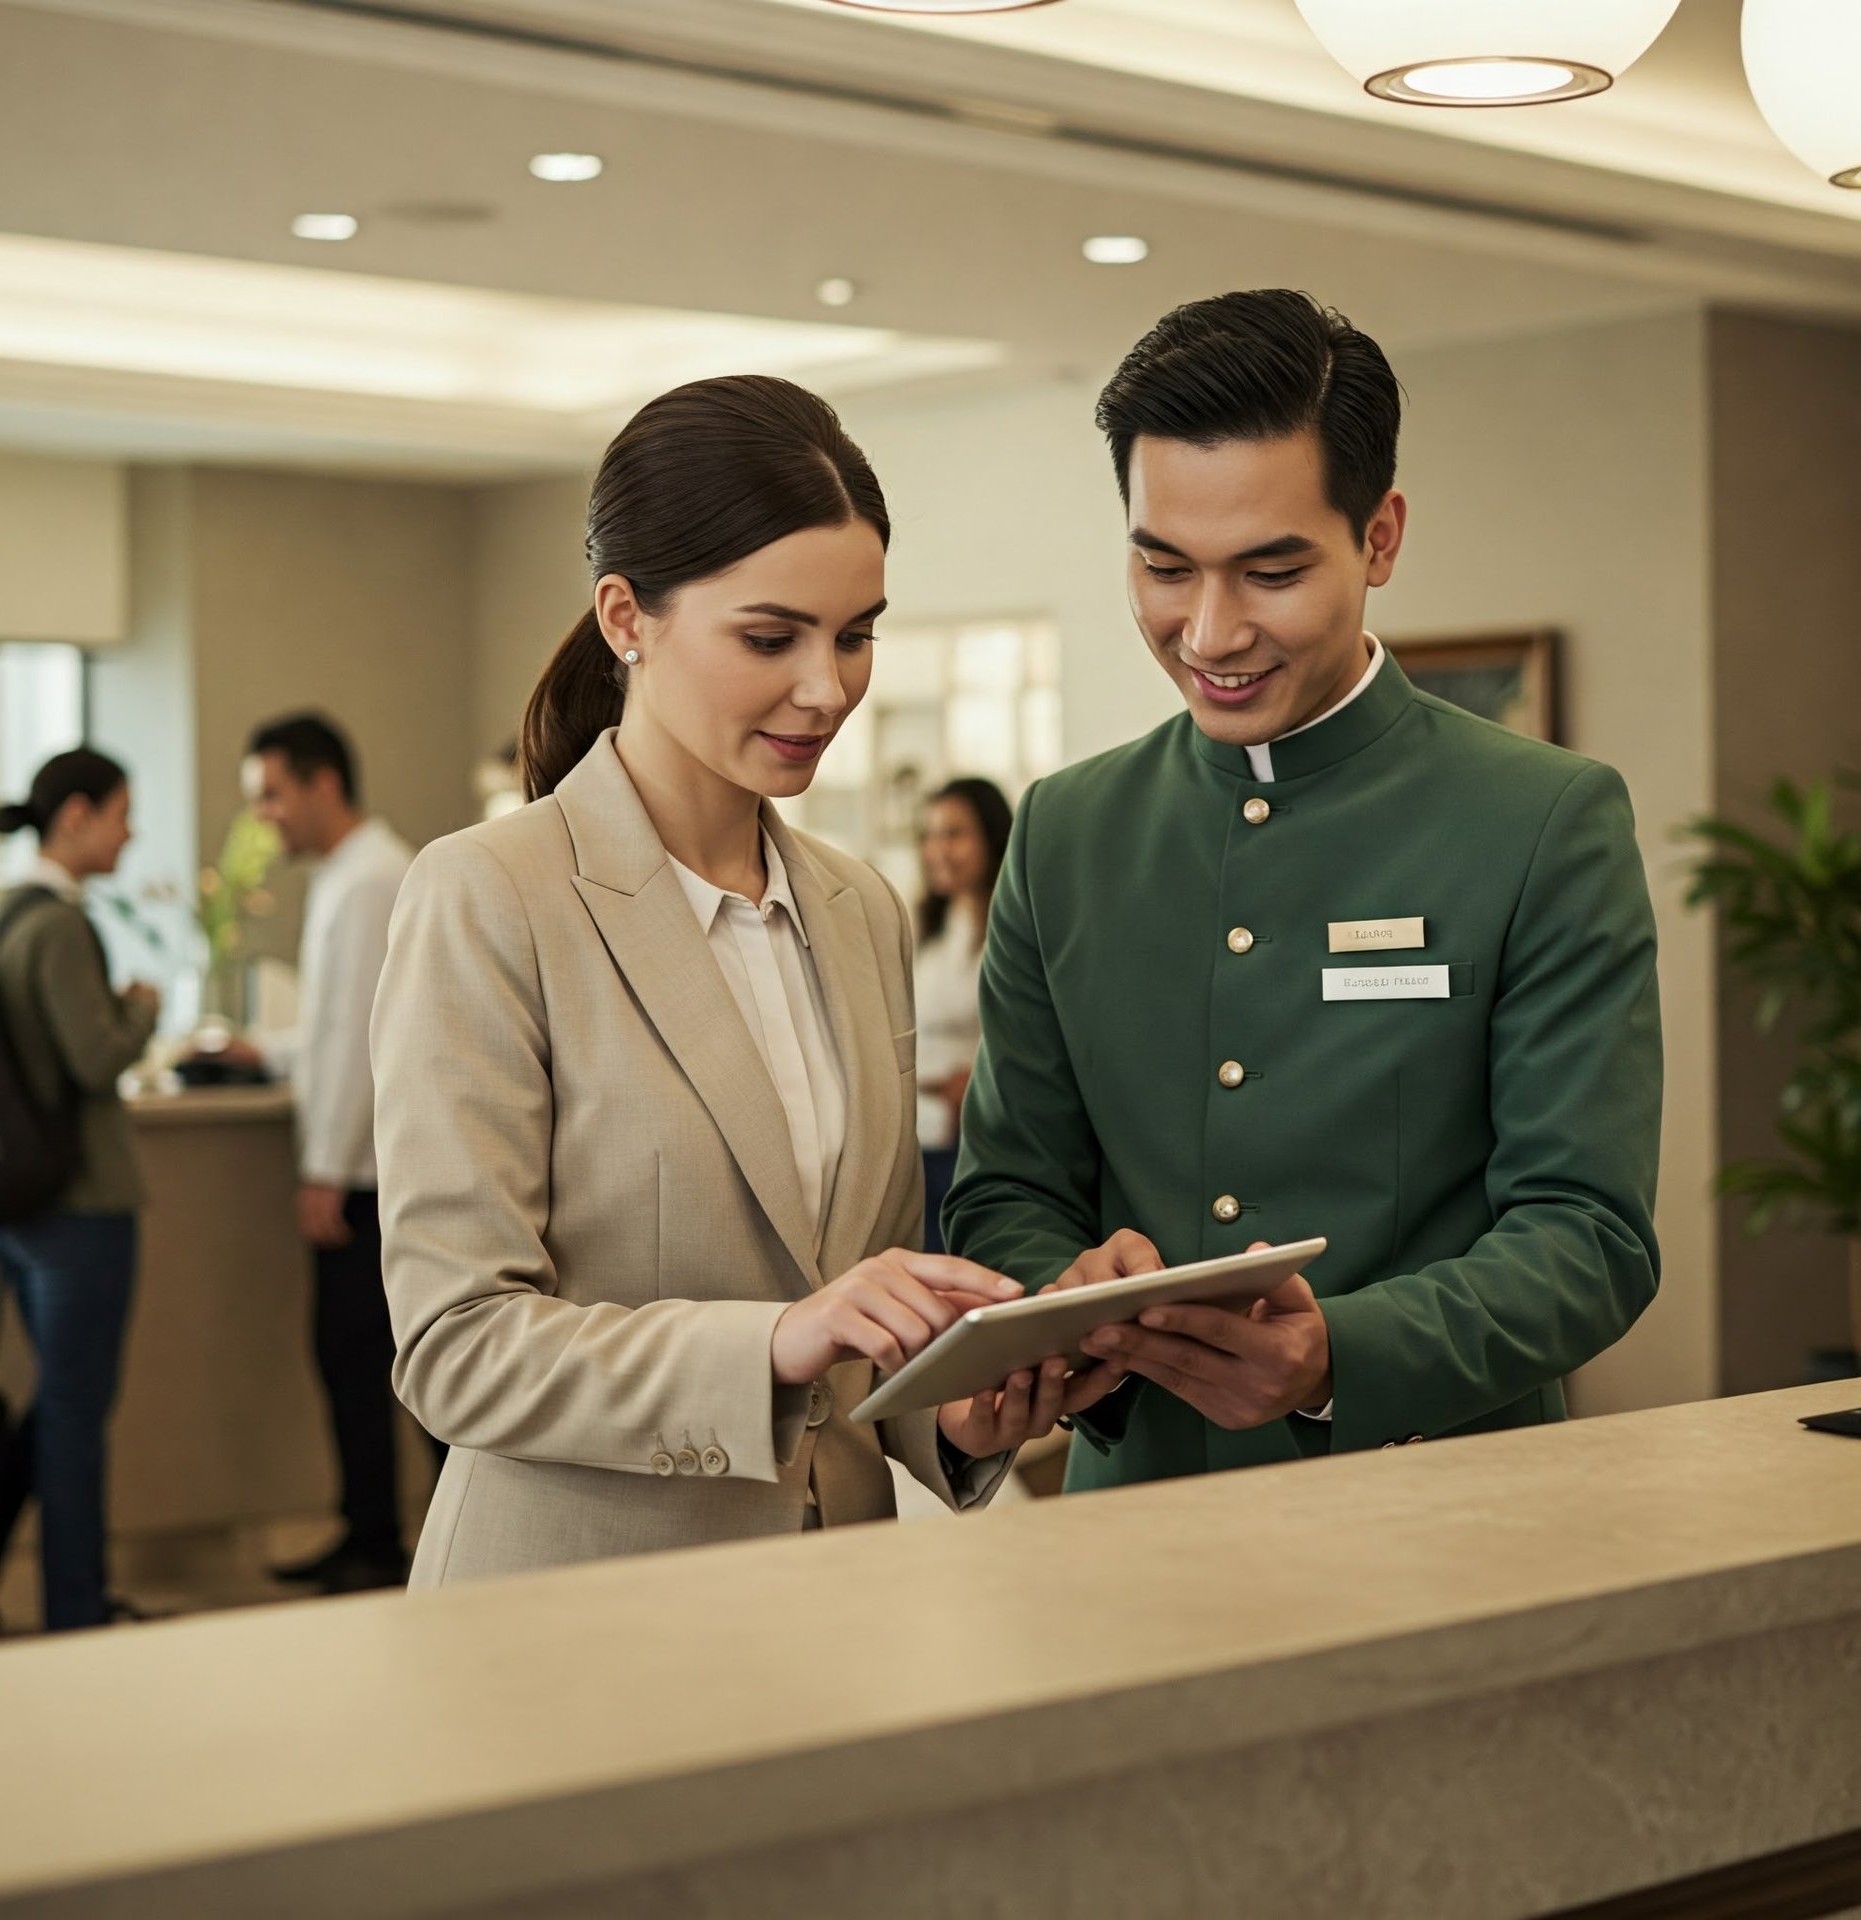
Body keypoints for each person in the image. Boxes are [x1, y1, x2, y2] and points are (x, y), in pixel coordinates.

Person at [370, 375, 1119, 1585]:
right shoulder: (490, 895)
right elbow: (458, 1349)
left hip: (833, 1600)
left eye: (857, 633)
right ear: (626, 616)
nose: (827, 688)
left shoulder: (856, 908)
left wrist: (957, 1409)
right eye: (771, 638)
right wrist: (775, 1342)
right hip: (574, 1612)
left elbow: (854, 1334)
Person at [945, 290, 1662, 1490]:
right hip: (1134, 1525)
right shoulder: (1067, 829)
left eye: (1271, 571)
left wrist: (1340, 1356)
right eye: (1164, 568)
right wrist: (1059, 1288)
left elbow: (1588, 1235)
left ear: (1380, 538)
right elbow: (1009, 1188)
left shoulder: (1543, 819)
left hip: (1453, 1511)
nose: (1210, 633)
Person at [227, 715, 419, 1593]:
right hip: (362, 1169)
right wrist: (264, 1054)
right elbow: (327, 1030)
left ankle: (381, 1540)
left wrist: (325, 1172)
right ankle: (369, 1531)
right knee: (353, 1359)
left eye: (271, 794)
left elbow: (358, 1043)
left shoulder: (373, 877)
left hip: (372, 1177)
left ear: (323, 785)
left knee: (369, 1360)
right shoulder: (351, 875)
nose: (264, 817)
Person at [0, 748, 160, 1632]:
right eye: (123, 812)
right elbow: (95, 1057)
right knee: (77, 1418)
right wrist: (141, 1007)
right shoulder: (58, 924)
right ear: (77, 815)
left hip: (13, 1206)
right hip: (79, 1207)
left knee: (57, 1401)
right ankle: (76, 1612)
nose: (131, 831)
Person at [913, 778, 1012, 1254]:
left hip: (975, 1136)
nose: (938, 850)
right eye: (929, 835)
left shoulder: (1011, 928)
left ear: (991, 839)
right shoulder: (925, 927)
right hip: (916, 1132)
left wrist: (972, 1079)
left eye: (954, 834)